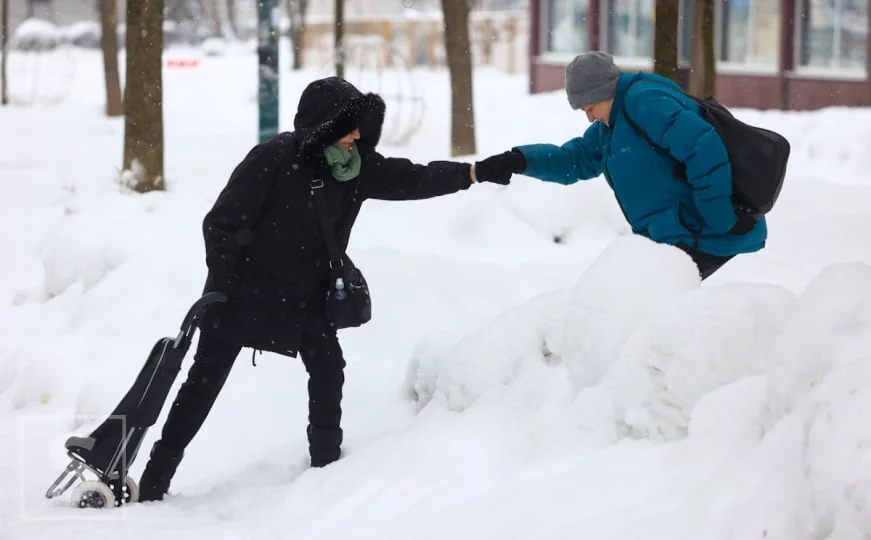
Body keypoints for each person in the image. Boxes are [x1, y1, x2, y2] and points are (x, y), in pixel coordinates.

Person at [137, 76, 512, 502]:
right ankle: (155, 479)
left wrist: (474, 172)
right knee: (202, 385)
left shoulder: (356, 167)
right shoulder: (273, 159)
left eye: (358, 126)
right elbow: (221, 222)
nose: (356, 134)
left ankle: (326, 470)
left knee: (329, 369)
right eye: (347, 126)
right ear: (323, 126)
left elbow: (414, 178)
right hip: (242, 294)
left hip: (304, 296)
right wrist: (223, 280)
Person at [475, 51, 767, 280]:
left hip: (704, 234)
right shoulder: (612, 125)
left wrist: (721, 218)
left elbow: (704, 150)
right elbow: (574, 160)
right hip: (674, 236)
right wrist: (519, 160)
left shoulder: (644, 103)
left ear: (604, 92)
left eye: (589, 108)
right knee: (641, 310)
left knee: (643, 310)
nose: (589, 118)